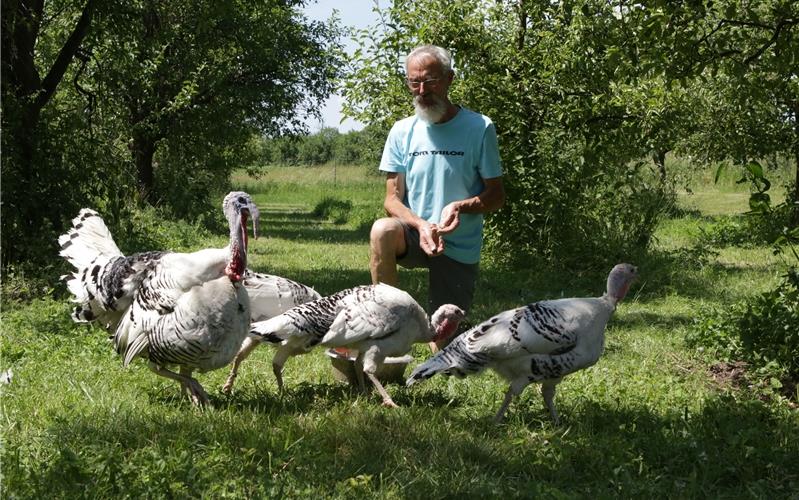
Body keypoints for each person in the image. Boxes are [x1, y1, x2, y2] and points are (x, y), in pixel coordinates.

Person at [369, 44, 505, 351]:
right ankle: (387, 322)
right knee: (382, 230)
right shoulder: (402, 130)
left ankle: (448, 337)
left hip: (458, 244)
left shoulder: (479, 127)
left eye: (430, 81)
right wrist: (420, 225)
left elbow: (496, 196)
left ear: (449, 79)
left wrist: (461, 206)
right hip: (416, 235)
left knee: (443, 346)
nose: (421, 90)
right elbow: (392, 200)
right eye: (413, 82)